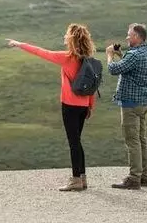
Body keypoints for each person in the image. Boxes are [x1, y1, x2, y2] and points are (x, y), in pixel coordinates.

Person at [6, 23, 97, 192]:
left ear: (71, 39)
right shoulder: (89, 60)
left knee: (73, 143)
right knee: (78, 142)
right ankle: (82, 178)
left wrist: (19, 44)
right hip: (84, 106)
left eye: (66, 35)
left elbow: (42, 52)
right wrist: (90, 105)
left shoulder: (67, 58)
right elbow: (92, 85)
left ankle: (76, 179)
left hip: (70, 106)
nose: (64, 37)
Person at [106, 22, 147, 190]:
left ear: (136, 37)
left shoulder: (134, 55)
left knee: (132, 140)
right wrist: (122, 55)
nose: (127, 37)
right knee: (141, 139)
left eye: (129, 34)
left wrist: (110, 55)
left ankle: (134, 178)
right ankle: (144, 176)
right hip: (143, 102)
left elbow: (113, 70)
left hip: (131, 103)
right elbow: (130, 68)